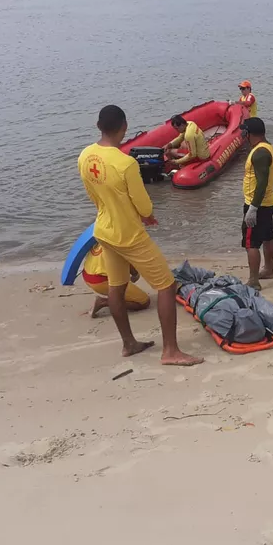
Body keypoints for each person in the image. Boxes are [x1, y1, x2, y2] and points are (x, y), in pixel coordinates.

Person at [78, 104, 202, 365]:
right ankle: (170, 351)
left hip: (104, 229)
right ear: (124, 127)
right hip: (128, 234)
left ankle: (129, 343)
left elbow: (93, 195)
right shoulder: (125, 163)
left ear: (98, 126)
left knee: (117, 286)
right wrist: (145, 214)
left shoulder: (85, 155)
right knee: (167, 285)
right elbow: (145, 206)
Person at [240, 117, 273, 290]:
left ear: (248, 133)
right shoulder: (267, 147)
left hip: (257, 204)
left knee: (251, 243)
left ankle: (254, 281)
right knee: (268, 236)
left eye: (244, 132)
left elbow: (261, 183)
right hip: (268, 202)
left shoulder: (260, 153)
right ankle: (268, 270)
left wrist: (252, 209)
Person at [82, 242, 150, 318]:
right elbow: (132, 269)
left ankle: (114, 296)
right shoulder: (119, 242)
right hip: (100, 281)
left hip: (86, 275)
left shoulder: (100, 236)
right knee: (144, 302)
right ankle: (103, 302)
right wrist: (135, 275)